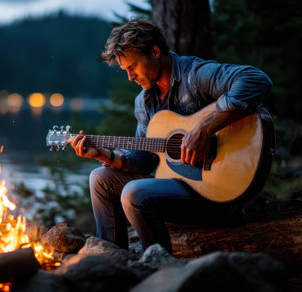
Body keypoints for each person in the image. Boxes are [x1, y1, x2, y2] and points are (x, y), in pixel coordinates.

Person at [69, 19, 272, 254]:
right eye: (125, 71)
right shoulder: (144, 102)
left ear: (155, 52)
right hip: (177, 191)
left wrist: (204, 129)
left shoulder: (195, 75)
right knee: (99, 178)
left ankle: (156, 264)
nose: (130, 77)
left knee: (133, 193)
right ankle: (112, 258)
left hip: (217, 195)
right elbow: (143, 160)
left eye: (132, 67)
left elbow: (257, 80)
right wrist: (105, 155)